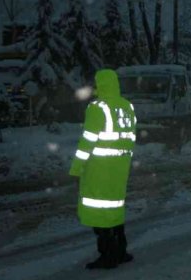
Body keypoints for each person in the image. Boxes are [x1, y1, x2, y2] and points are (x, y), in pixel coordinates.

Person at [69, 69, 137, 269]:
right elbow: (131, 138)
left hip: (100, 169)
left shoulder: (98, 107)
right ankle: (121, 251)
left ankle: (108, 256)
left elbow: (88, 141)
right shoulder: (127, 106)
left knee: (99, 213)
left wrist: (76, 167)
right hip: (119, 168)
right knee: (114, 210)